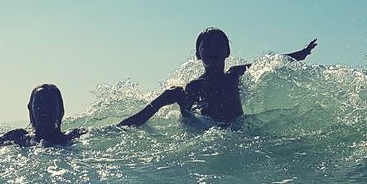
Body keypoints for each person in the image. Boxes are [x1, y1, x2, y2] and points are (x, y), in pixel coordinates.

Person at [122, 28, 319, 128]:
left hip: (238, 131)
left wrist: (301, 54)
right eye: (206, 46)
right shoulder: (194, 86)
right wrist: (180, 105)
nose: (213, 49)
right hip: (211, 134)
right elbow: (191, 120)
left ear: (227, 51)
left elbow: (270, 63)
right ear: (198, 55)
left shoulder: (234, 75)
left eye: (218, 45)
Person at [0, 83, 182, 154]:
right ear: (29, 109)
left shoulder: (74, 137)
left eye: (50, 103)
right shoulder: (18, 138)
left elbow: (124, 127)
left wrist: (159, 102)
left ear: (61, 111)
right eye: (38, 103)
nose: (43, 108)